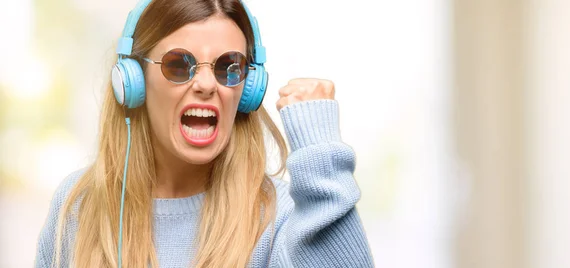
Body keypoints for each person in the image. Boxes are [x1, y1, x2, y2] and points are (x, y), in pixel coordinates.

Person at [34, 0, 374, 267]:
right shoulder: (80, 204)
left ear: (249, 88)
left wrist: (320, 150)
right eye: (179, 64)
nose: (208, 85)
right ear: (133, 82)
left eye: (229, 68)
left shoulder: (280, 216)